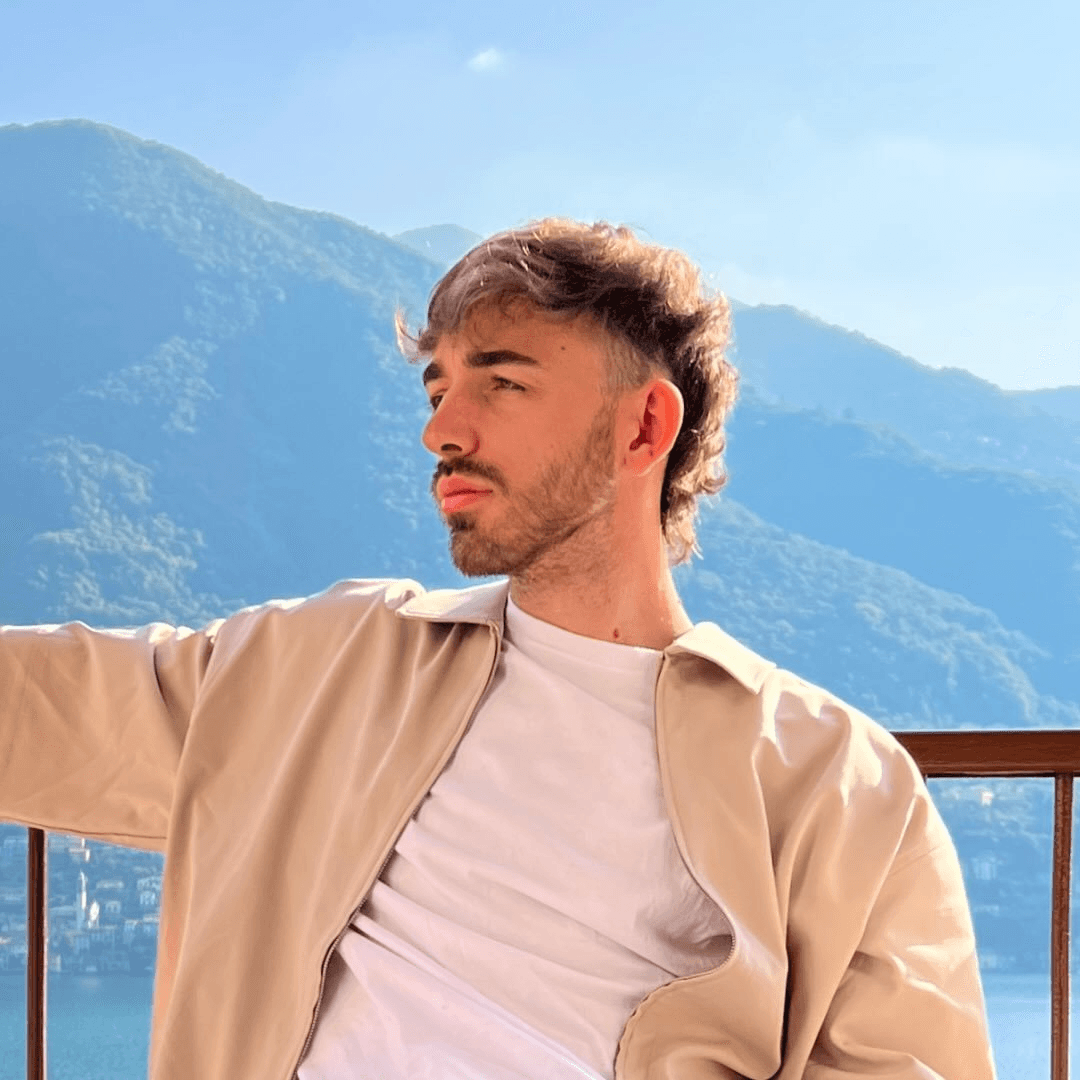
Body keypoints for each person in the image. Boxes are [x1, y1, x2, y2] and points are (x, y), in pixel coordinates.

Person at [0, 219, 996, 1079]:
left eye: (503, 382)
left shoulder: (837, 785)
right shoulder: (326, 666)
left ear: (644, 422)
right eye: (436, 387)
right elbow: (40, 708)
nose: (443, 427)